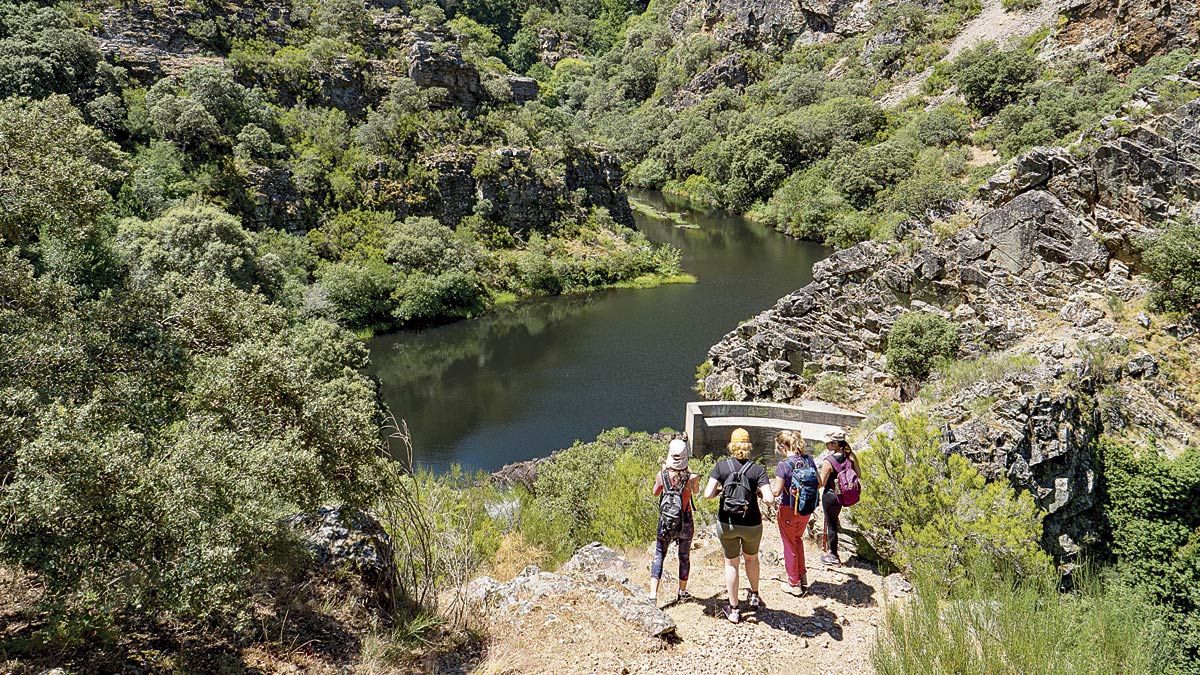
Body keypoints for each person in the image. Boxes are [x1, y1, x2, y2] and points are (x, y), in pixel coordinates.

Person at [703, 428, 774, 623]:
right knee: (752, 559)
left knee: (731, 563)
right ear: (748, 446)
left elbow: (707, 494)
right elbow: (769, 498)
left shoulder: (721, 467)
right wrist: (757, 493)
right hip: (751, 523)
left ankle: (734, 609)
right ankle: (754, 595)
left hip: (727, 523)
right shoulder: (757, 470)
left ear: (731, 446)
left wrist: (721, 490)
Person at [649, 439, 699, 605]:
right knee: (684, 557)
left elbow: (655, 493)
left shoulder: (661, 475)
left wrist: (664, 473)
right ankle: (682, 592)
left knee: (659, 554)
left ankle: (652, 595)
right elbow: (696, 491)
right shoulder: (691, 477)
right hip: (685, 521)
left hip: (666, 522)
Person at [770, 430, 818, 595]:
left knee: (789, 544)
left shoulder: (784, 465)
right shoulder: (809, 460)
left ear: (783, 447)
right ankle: (802, 576)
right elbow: (818, 483)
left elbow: (776, 492)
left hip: (788, 509)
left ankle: (794, 583)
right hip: (806, 509)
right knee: (797, 539)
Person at [817, 429, 859, 567]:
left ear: (835, 444)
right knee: (834, 522)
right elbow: (859, 474)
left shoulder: (828, 461)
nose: (826, 446)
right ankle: (832, 552)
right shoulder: (851, 456)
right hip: (842, 496)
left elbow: (822, 483)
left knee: (831, 525)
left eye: (828, 443)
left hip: (830, 495)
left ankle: (833, 555)